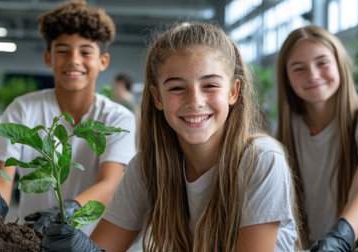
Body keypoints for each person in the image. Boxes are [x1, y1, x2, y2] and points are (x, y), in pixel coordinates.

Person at [41, 22, 299, 252]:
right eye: (177, 88)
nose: (195, 101)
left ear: (233, 91)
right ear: (157, 98)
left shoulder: (262, 160)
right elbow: (103, 246)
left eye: (210, 85)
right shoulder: (147, 166)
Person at [0, 0, 136, 236]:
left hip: (92, 241)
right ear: (48, 58)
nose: (74, 60)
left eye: (85, 52)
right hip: (32, 237)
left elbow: (110, 183)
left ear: (103, 61)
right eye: (62, 50)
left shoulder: (117, 118)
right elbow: (3, 177)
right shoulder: (23, 109)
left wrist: (69, 209)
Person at [275, 25, 358, 251]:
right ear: (287, 78)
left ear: (340, 65)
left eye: (322, 63)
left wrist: (339, 240)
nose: (313, 75)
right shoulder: (285, 131)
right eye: (298, 68)